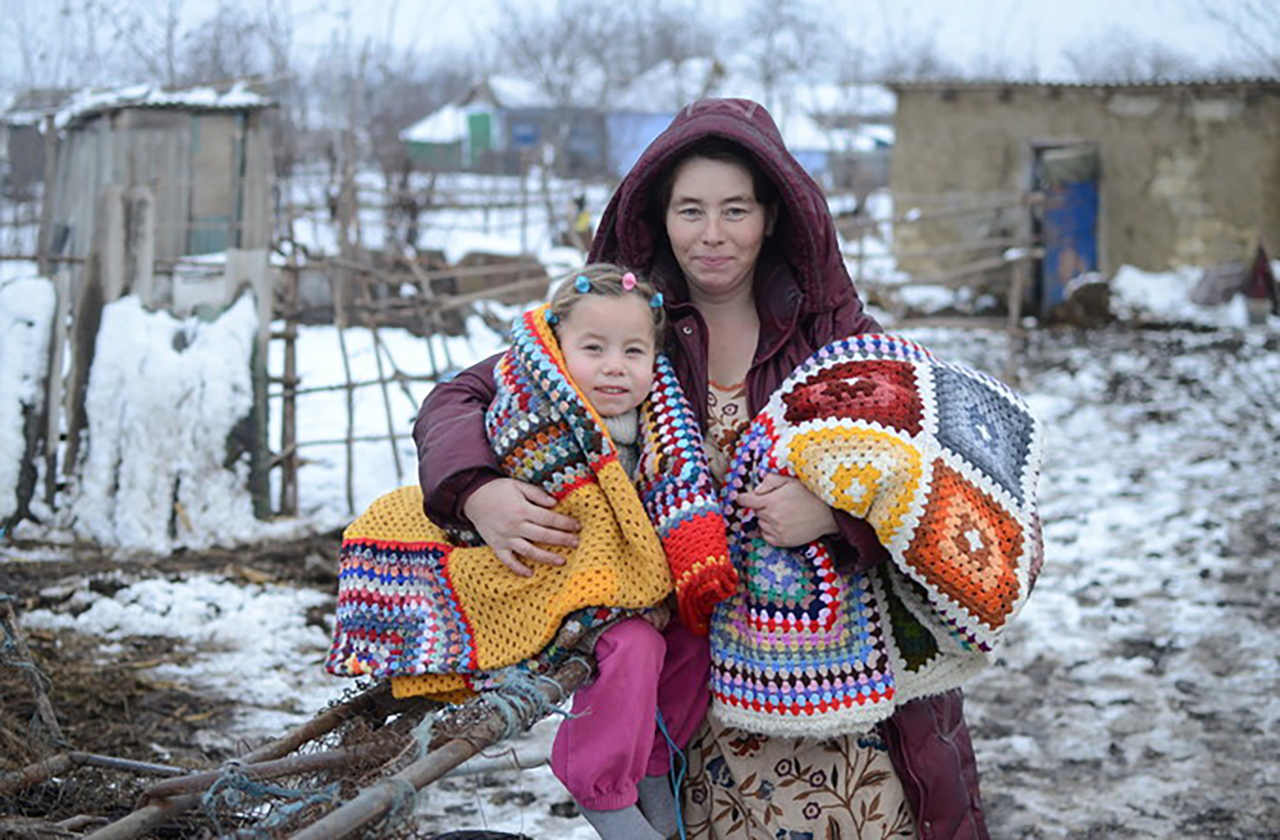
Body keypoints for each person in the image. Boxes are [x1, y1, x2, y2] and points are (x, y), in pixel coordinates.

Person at [415, 99, 994, 839]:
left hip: (839, 704)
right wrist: (479, 490)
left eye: (735, 210)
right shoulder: (624, 333)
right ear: (659, 218)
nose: (712, 235)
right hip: (693, 699)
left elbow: (948, 478)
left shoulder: (837, 336)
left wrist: (839, 514)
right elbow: (461, 396)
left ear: (774, 217)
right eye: (690, 210)